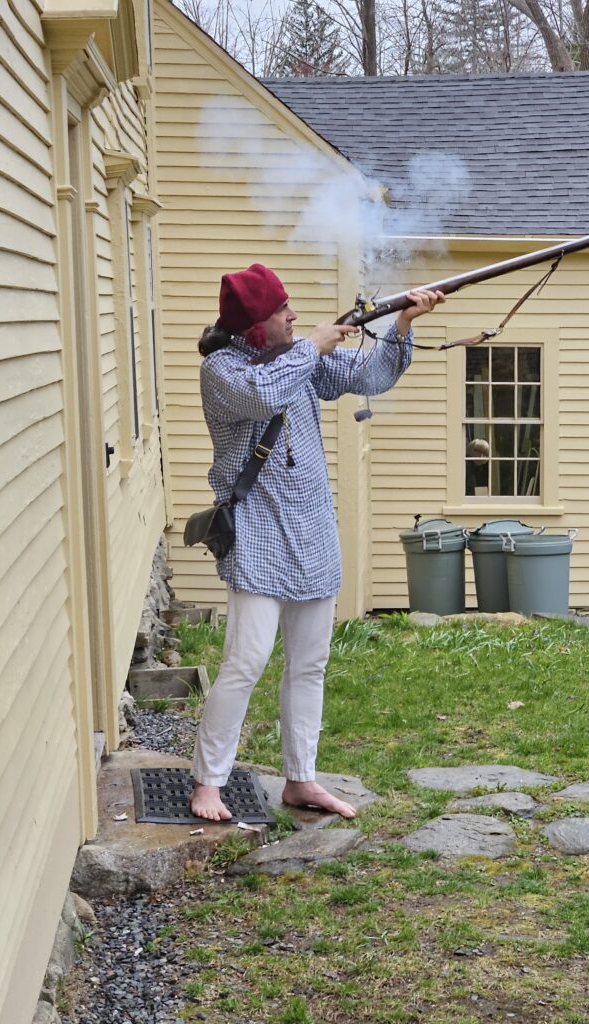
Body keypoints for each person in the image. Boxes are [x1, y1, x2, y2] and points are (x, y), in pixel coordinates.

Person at [190, 263, 445, 821]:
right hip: (257, 532)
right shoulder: (224, 371)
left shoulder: (296, 357)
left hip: (312, 531)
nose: (294, 315)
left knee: (310, 665)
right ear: (256, 326)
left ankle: (301, 779)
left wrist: (401, 323)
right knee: (245, 662)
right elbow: (262, 397)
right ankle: (209, 782)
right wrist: (311, 346)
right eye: (283, 310)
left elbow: (369, 376)